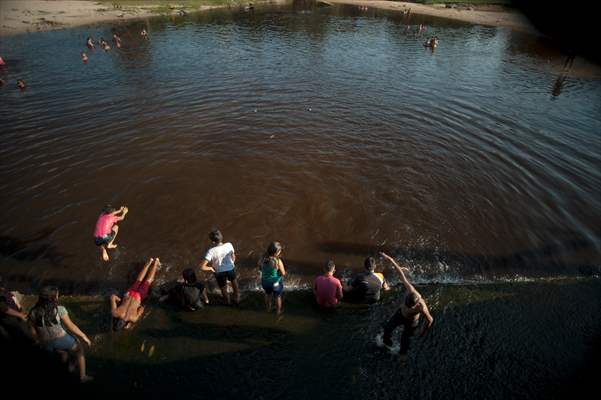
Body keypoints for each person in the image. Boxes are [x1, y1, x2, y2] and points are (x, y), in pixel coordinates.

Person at [28, 286, 93, 382]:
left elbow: (31, 328)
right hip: (61, 339)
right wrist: (84, 336)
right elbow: (71, 326)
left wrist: (37, 340)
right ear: (53, 298)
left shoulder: (33, 311)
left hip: (46, 342)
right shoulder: (59, 309)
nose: (58, 296)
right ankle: (82, 376)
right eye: (57, 295)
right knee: (79, 349)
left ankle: (67, 366)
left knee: (61, 352)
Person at [376, 252, 434, 360]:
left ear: (416, 305)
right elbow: (400, 273)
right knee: (388, 329)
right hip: (400, 314)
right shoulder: (410, 289)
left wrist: (422, 332)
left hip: (411, 322)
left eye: (411, 307)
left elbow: (430, 319)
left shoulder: (422, 307)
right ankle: (386, 343)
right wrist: (389, 258)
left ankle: (403, 354)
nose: (409, 308)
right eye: (407, 305)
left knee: (405, 340)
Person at [111, 257, 160, 331]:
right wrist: (121, 300)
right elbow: (113, 297)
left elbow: (142, 308)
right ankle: (149, 262)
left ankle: (156, 263)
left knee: (148, 282)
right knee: (138, 280)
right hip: (128, 294)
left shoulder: (134, 318)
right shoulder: (115, 313)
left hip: (138, 298)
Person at [199, 229, 240, 305]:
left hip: (219, 272)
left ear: (213, 242)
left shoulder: (211, 251)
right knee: (234, 284)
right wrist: (232, 263)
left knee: (223, 288)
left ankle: (227, 301)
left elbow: (202, 267)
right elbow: (233, 256)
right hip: (230, 269)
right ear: (222, 237)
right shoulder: (229, 245)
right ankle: (237, 298)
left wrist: (211, 268)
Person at [258, 242, 286, 315]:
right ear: (276, 253)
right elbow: (283, 273)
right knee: (277, 296)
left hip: (265, 282)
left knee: (267, 294)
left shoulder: (262, 258)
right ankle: (278, 311)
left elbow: (260, 268)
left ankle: (268, 309)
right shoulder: (277, 261)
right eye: (279, 251)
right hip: (275, 283)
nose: (280, 252)